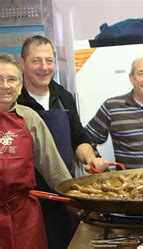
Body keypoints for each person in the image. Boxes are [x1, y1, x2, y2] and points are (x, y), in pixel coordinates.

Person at [17, 35, 108, 249]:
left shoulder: (63, 96)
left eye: (49, 61)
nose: (44, 67)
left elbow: (78, 137)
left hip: (62, 194)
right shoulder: (14, 100)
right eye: (36, 60)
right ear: (22, 63)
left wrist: (91, 159)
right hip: (29, 197)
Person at [0, 53, 71, 249]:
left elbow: (54, 169)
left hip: (24, 217)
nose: (5, 85)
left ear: (20, 85)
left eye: (11, 79)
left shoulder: (29, 118)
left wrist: (78, 200)